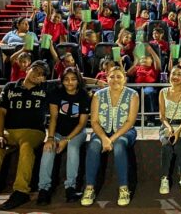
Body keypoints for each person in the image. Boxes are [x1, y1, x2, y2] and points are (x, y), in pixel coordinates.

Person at [0, 61, 52, 211]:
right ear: (27, 69)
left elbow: (73, 77)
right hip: (10, 132)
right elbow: (1, 113)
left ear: (44, 78)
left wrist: (97, 81)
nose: (38, 74)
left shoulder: (46, 88)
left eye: (42, 73)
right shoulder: (10, 87)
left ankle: (21, 191)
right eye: (35, 70)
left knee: (26, 147)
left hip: (33, 132)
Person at [81, 66, 139, 207]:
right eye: (112, 76)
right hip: (102, 131)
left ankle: (124, 188)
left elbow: (130, 122)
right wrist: (103, 137)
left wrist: (110, 140)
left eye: (119, 76)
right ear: (107, 78)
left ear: (124, 79)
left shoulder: (133, 95)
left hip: (125, 131)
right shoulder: (98, 95)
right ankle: (89, 188)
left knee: (119, 145)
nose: (115, 80)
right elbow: (94, 121)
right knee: (94, 145)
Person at [36, 67, 90, 205]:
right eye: (66, 79)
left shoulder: (83, 95)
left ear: (78, 80)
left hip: (77, 132)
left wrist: (66, 140)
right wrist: (50, 138)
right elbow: (53, 118)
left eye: (73, 79)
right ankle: (44, 189)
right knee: (48, 149)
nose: (70, 82)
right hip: (59, 132)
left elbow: (82, 123)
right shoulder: (57, 93)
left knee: (72, 147)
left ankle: (70, 187)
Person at [158, 66, 181, 195]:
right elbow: (162, 116)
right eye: (173, 74)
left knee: (180, 145)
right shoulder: (163, 92)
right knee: (167, 145)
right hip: (167, 125)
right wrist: (169, 128)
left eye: (179, 74)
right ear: (169, 75)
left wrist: (178, 131)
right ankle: (164, 178)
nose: (175, 77)